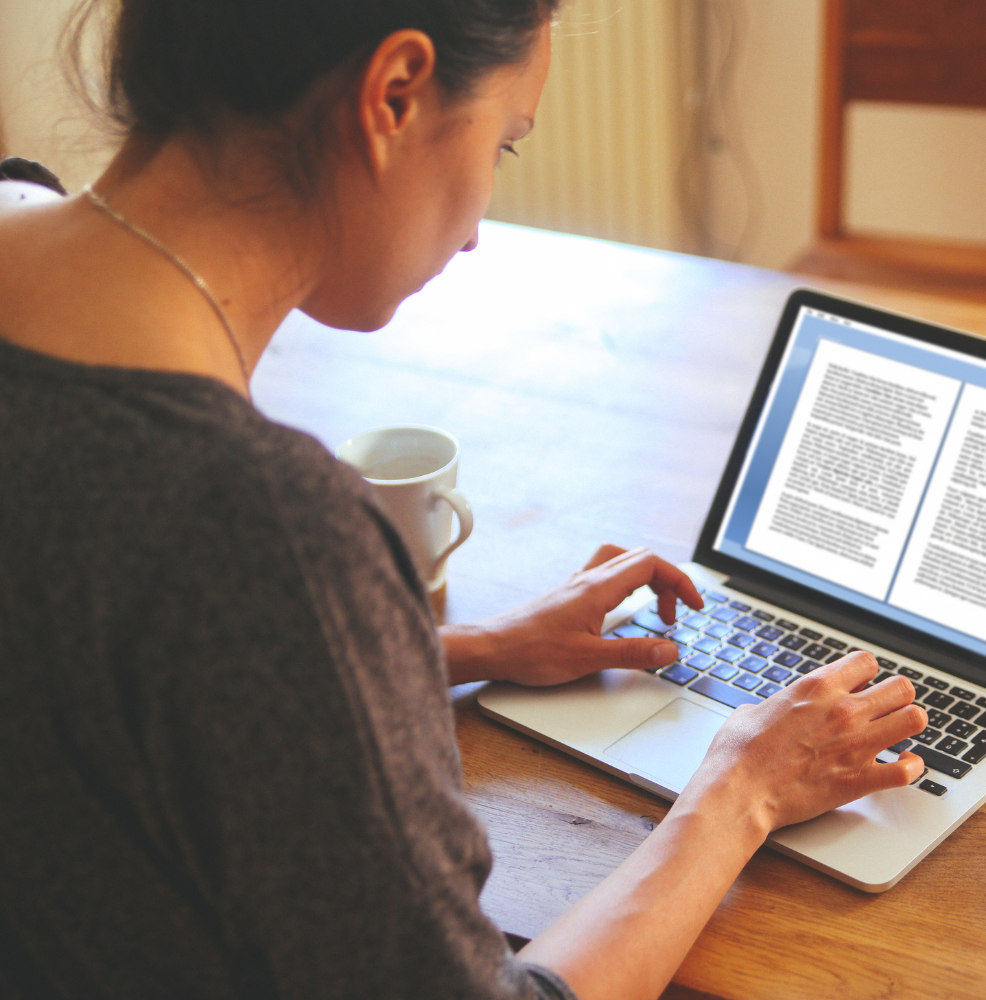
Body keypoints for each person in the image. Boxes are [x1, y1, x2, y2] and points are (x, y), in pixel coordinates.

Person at [0, 2, 930, 998]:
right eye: (506, 143)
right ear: (394, 95)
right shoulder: (261, 532)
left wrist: (453, 648)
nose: (481, 225)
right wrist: (742, 787)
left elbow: (101, 665)